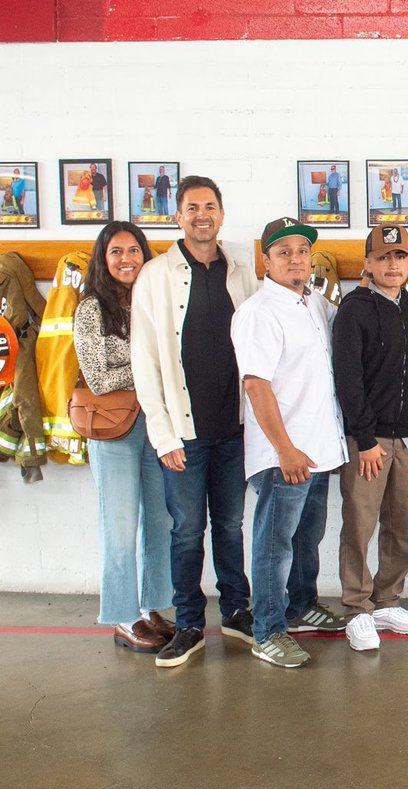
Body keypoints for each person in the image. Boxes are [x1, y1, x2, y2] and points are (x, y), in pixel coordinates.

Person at [131, 176, 255, 668]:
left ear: (221, 214)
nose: (201, 214)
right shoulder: (155, 276)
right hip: (183, 433)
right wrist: (163, 435)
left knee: (229, 525)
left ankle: (236, 612)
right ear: (177, 216)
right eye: (191, 207)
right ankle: (187, 624)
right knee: (186, 531)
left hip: (234, 429)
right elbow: (145, 363)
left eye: (209, 206)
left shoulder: (242, 272)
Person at [231, 218, 348, 668]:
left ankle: (301, 606)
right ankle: (268, 631)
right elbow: (256, 386)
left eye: (303, 251)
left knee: (307, 536)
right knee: (274, 543)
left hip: (318, 450)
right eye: (284, 252)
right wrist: (284, 450)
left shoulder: (314, 302)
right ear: (266, 261)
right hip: (286, 453)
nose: (296, 258)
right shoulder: (259, 312)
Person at [74, 222, 175, 654]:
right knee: (118, 528)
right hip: (112, 429)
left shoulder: (155, 300)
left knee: (160, 522)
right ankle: (121, 615)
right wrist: (152, 369)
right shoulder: (91, 308)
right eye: (116, 252)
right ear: (103, 258)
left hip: (156, 426)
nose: (126, 259)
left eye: (133, 250)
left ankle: (152, 607)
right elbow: (97, 379)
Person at [332, 225, 408, 652]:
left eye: (400, 257)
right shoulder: (354, 309)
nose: (393, 265)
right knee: (360, 524)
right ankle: (357, 608)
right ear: (367, 263)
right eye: (384, 257)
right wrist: (365, 437)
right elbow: (348, 380)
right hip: (368, 442)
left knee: (400, 524)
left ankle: (388, 601)